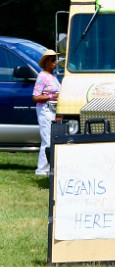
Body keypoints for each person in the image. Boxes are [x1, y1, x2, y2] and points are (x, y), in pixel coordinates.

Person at [31, 49, 61, 177]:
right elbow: (36, 97)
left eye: (56, 59)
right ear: (46, 62)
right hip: (45, 110)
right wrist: (52, 96)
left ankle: (49, 168)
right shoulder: (42, 76)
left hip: (53, 110)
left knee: (51, 138)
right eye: (52, 59)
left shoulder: (53, 76)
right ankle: (42, 170)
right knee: (47, 140)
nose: (55, 62)